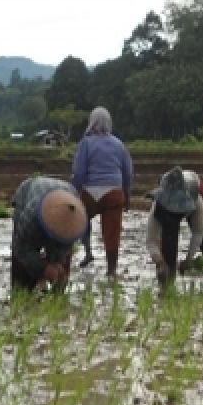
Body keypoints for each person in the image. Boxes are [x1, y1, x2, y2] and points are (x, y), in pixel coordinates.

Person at [71, 106, 133, 277]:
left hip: (90, 193)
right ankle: (111, 271)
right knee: (112, 233)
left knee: (82, 219)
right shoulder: (119, 144)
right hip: (114, 193)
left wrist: (74, 194)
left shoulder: (86, 143)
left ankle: (88, 250)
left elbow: (79, 172)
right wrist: (126, 195)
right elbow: (128, 172)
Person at [10, 176, 88, 292]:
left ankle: (56, 291)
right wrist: (43, 268)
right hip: (28, 192)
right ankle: (20, 290)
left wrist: (57, 263)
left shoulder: (76, 218)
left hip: (66, 192)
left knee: (60, 268)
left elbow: (63, 249)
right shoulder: (30, 216)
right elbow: (20, 248)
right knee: (22, 273)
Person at [144, 166, 203, 288]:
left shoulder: (197, 201)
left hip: (193, 204)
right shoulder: (159, 206)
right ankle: (167, 284)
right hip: (167, 215)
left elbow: (199, 232)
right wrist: (159, 262)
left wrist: (188, 259)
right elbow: (151, 239)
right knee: (168, 245)